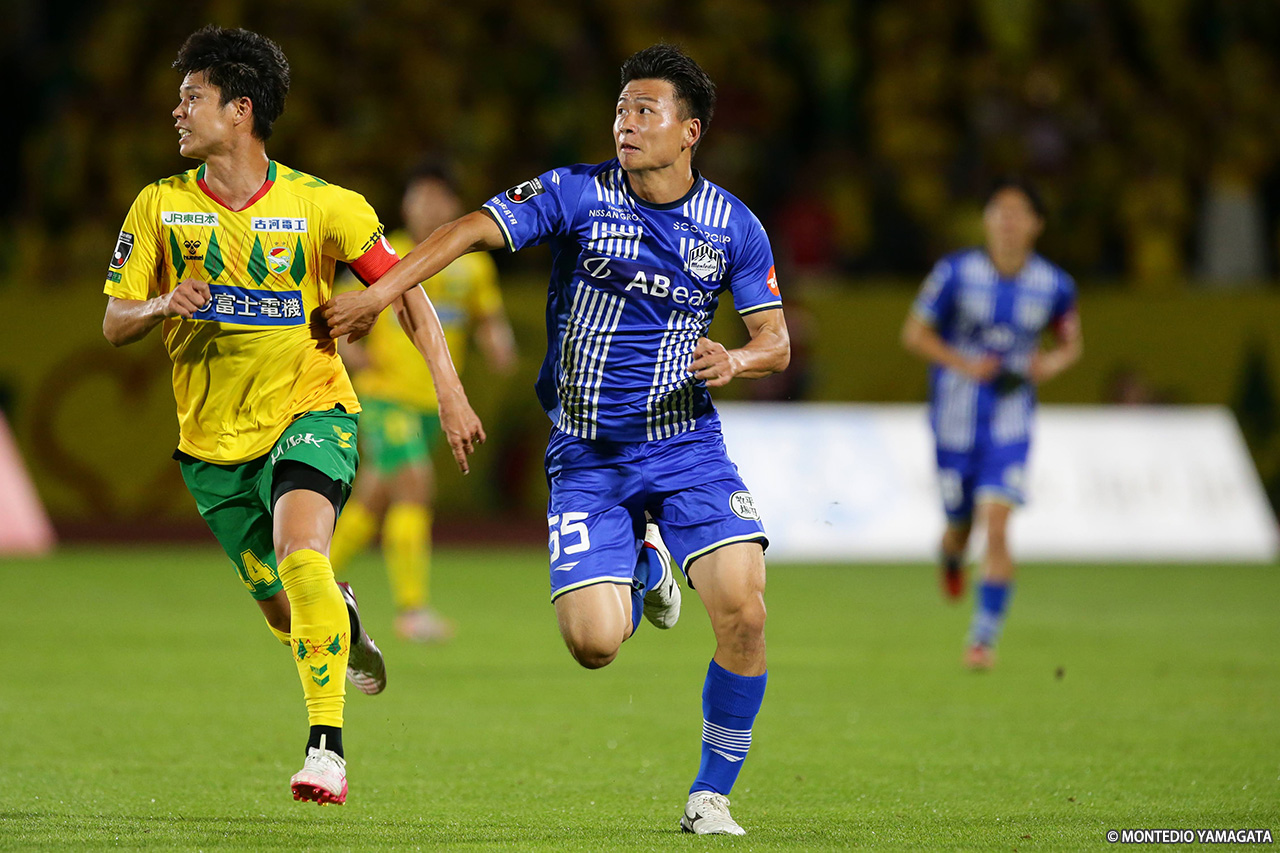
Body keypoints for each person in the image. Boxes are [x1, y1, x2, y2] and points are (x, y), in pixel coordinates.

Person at [324, 44, 789, 836]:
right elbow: (468, 229)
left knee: (744, 608)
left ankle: (710, 795)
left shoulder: (734, 226)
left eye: (645, 111)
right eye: (621, 109)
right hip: (586, 454)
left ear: (690, 131)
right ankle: (645, 560)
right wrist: (380, 293)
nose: (626, 123)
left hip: (685, 444)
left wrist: (737, 359)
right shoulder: (577, 192)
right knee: (594, 643)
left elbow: (774, 339)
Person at [101, 25, 484, 805]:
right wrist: (161, 303)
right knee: (287, 612)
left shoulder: (323, 205)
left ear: (240, 110)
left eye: (192, 97)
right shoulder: (158, 207)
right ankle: (342, 618)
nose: (177, 111)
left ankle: (326, 751)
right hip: (212, 445)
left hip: (312, 409)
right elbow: (113, 322)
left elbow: (405, 291)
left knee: (302, 551)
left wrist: (449, 390)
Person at [329, 158, 517, 642]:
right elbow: (342, 312)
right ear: (406, 202)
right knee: (415, 485)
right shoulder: (383, 253)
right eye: (421, 195)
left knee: (373, 500)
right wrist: (355, 357)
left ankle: (308, 585)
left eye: (439, 196)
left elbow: (487, 319)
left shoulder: (472, 267)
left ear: (454, 205)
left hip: (431, 404)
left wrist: (498, 345)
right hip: (385, 397)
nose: (428, 205)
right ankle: (411, 610)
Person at [901, 176, 1082, 670]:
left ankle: (982, 639)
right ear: (985, 221)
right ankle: (952, 557)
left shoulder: (1055, 285)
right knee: (960, 528)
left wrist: (1049, 364)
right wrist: (963, 364)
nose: (1007, 222)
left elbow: (1071, 344)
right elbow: (914, 334)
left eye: (1018, 213)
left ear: (1037, 224)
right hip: (953, 421)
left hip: (1010, 422)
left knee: (998, 527)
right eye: (999, 211)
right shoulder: (955, 273)